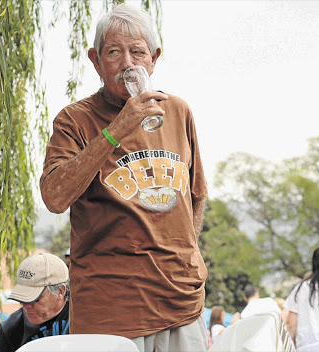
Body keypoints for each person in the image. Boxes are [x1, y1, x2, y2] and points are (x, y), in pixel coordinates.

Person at [39, 4, 208, 351]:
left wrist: (187, 258)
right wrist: (116, 130)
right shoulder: (74, 120)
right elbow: (54, 197)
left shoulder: (177, 111)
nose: (127, 63)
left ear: (154, 57)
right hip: (110, 308)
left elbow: (197, 193)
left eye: (138, 51)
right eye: (114, 52)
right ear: (96, 60)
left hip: (181, 302)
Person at [0, 253, 70, 352]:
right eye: (23, 299)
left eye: (35, 298)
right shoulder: (12, 326)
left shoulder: (82, 319)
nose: (27, 306)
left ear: (60, 291)